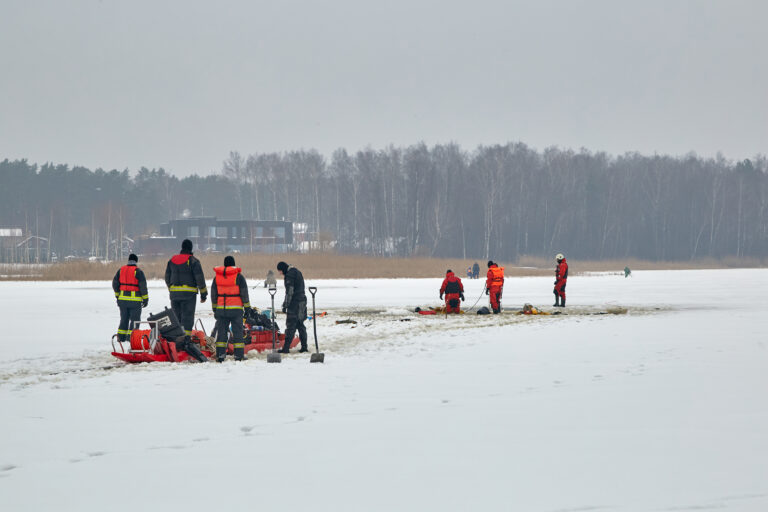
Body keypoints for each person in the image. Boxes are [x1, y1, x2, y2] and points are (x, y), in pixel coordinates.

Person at [165, 239, 208, 346]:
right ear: (191, 248)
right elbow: (200, 279)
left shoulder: (172, 260)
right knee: (187, 319)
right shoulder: (193, 261)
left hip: (174, 295)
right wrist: (203, 294)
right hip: (189, 296)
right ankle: (186, 342)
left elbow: (167, 277)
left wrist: (171, 289)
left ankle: (176, 341)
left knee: (177, 318)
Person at [211, 255, 250, 362]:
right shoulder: (239, 277)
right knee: (238, 333)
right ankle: (239, 356)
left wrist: (215, 309)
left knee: (222, 333)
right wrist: (247, 308)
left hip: (221, 310)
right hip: (236, 310)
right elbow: (244, 294)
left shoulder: (217, 278)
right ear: (233, 264)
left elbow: (213, 295)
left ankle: (220, 355)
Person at [112, 253, 148, 343]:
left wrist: (117, 295)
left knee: (124, 318)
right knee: (135, 320)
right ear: (136, 261)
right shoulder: (138, 271)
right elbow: (143, 286)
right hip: (135, 302)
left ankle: (121, 337)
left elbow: (115, 283)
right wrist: (145, 299)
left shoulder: (121, 270)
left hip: (122, 301)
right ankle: (132, 338)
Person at [276, 261, 308, 353]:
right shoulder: (297, 272)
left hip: (295, 303)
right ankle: (304, 347)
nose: (280, 273)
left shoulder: (289, 275)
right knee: (300, 324)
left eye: (280, 271)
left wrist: (286, 305)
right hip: (302, 301)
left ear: (283, 269)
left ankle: (286, 348)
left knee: (291, 325)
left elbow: (289, 292)